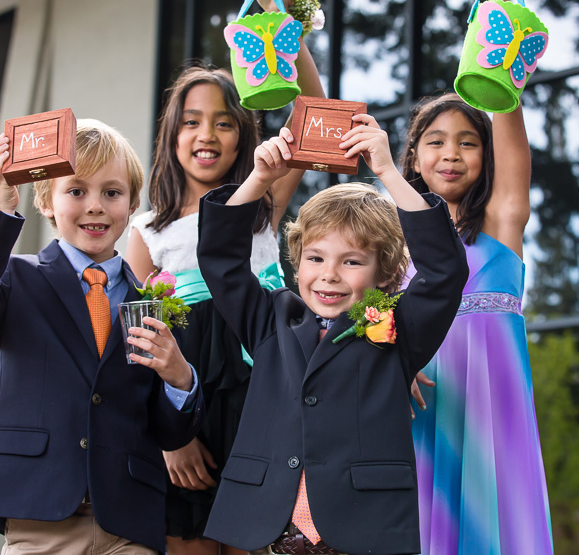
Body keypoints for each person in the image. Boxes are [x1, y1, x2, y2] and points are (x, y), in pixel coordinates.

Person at [125, 0, 325, 554]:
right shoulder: (145, 231)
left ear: (244, 135)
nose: (207, 135)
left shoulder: (259, 201)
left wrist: (282, 16)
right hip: (189, 404)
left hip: (263, 389)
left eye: (224, 122)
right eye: (191, 122)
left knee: (257, 538)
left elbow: (316, 116)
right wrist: (170, 437)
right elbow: (137, 345)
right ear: (170, 134)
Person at [196, 117, 468, 555]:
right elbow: (220, 258)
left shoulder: (400, 329)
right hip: (270, 530)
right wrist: (259, 178)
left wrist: (388, 172)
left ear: (387, 274)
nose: (328, 276)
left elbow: (445, 272)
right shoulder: (270, 319)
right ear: (297, 261)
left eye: (351, 262)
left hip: (364, 530)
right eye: (316, 257)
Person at [0, 120, 204, 553]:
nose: (95, 206)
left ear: (133, 203)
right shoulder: (15, 278)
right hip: (37, 512)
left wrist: (179, 381)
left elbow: (168, 434)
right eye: (76, 191)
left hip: (127, 520)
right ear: (46, 200)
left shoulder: (153, 303)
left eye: (112, 193)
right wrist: (0, 208)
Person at [398, 0, 554, 552]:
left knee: (496, 527)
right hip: (427, 393)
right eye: (435, 141)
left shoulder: (502, 220)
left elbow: (507, 117)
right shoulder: (398, 236)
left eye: (468, 142)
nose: (452, 153)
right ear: (413, 157)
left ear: (486, 157)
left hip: (496, 395)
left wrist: (501, 13)